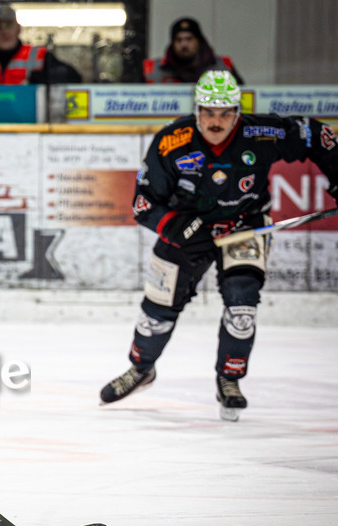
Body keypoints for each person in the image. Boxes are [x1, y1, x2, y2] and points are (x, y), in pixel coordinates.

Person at [100, 71, 338, 421]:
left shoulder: (260, 133)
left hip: (245, 228)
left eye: (225, 112)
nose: (216, 121)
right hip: (188, 233)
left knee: (242, 308)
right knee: (157, 312)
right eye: (209, 112)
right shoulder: (172, 141)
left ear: (237, 113)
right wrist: (175, 227)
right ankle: (141, 368)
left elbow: (317, 135)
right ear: (196, 111)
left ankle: (229, 378)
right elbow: (142, 202)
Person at [143, 17, 243, 84]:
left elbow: (243, 99)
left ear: (199, 41)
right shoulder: (152, 70)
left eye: (189, 39)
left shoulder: (223, 67)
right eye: (179, 40)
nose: (184, 44)